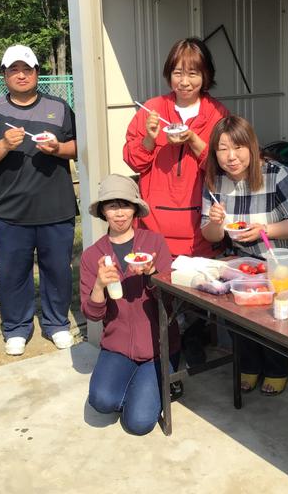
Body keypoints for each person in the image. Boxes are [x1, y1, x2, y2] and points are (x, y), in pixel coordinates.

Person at [0, 45, 78, 356]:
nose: (21, 75)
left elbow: (78, 145)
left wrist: (58, 149)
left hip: (56, 207)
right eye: (14, 70)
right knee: (12, 273)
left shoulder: (58, 107)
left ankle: (56, 323)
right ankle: (16, 328)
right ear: (4, 75)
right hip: (9, 210)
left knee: (57, 270)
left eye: (27, 69)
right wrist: (4, 145)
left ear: (37, 73)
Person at [201, 116, 288, 395]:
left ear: (251, 146)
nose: (231, 157)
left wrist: (265, 229)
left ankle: (277, 368)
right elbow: (210, 235)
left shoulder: (276, 175)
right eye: (223, 149)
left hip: (285, 260)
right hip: (244, 261)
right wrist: (215, 222)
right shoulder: (215, 181)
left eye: (238, 147)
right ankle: (249, 365)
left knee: (274, 318)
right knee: (238, 314)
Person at [79, 174, 178, 435]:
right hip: (118, 347)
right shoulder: (92, 256)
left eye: (125, 205)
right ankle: (142, 389)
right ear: (103, 211)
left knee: (138, 424)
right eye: (112, 206)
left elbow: (172, 298)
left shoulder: (154, 243)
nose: (120, 213)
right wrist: (99, 285)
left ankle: (154, 385)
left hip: (157, 348)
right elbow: (92, 313)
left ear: (135, 208)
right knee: (101, 401)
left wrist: (152, 273)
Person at [123, 37, 230, 258]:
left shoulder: (217, 113)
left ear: (205, 75)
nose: (184, 82)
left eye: (193, 73)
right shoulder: (152, 109)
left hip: (200, 229)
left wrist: (193, 139)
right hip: (153, 227)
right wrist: (149, 139)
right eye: (178, 73)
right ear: (169, 74)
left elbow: (224, 166)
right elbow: (134, 162)